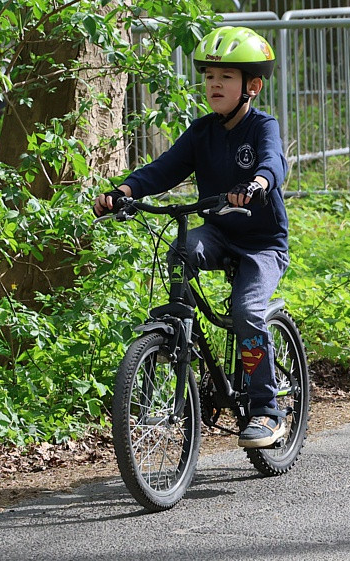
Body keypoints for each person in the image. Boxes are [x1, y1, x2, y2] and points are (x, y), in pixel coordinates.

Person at [93, 26, 290, 448]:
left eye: (227, 77)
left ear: (252, 86)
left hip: (262, 244)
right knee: (179, 250)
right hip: (219, 232)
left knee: (248, 313)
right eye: (209, 77)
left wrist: (257, 183)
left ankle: (267, 410)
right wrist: (123, 193)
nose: (215, 85)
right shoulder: (202, 132)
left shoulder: (262, 127)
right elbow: (164, 168)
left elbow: (274, 163)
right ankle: (181, 342)